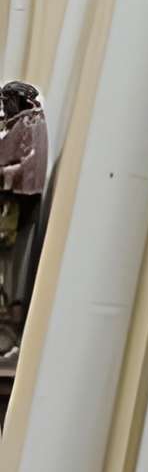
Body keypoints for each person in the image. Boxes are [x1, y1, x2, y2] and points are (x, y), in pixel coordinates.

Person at [0, 79, 49, 350]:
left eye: (8, 100)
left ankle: (10, 320)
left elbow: (30, 162)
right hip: (11, 200)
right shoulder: (16, 123)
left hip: (17, 201)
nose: (5, 107)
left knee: (11, 262)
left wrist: (6, 173)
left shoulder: (31, 123)